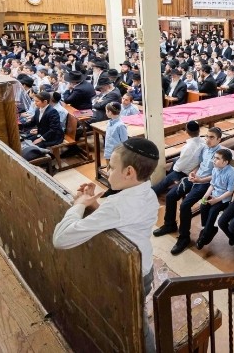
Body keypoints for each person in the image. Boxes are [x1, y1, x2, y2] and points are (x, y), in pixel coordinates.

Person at [52, 138, 160, 353]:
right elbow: (119, 221)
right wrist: (93, 204)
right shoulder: (147, 191)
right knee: (134, 315)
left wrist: (78, 205)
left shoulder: (118, 205)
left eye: (110, 167)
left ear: (128, 172)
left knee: (139, 329)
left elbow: (61, 239)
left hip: (132, 275)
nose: (107, 171)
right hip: (145, 268)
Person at [154, 127, 222, 255]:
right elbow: (200, 164)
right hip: (196, 178)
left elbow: (217, 175)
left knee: (185, 205)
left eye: (212, 137)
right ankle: (170, 224)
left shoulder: (220, 154)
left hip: (206, 184)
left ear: (219, 139)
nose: (208, 139)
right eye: (207, 136)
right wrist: (193, 173)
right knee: (170, 196)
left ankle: (184, 237)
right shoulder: (205, 148)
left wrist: (200, 180)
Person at [192, 148, 234, 249]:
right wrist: (205, 196)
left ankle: (204, 237)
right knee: (203, 206)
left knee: (213, 211)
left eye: (217, 158)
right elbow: (212, 185)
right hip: (215, 195)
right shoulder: (215, 169)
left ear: (225, 162)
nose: (214, 160)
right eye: (214, 158)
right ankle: (209, 229)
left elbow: (230, 192)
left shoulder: (232, 172)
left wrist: (216, 200)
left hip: (224, 199)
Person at [151, 121, 203, 197]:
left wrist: (174, 169)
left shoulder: (188, 147)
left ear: (187, 131)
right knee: (176, 160)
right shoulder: (203, 141)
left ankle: (151, 193)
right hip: (195, 166)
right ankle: (169, 180)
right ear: (199, 130)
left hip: (186, 172)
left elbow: (179, 167)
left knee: (166, 180)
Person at [21, 91, 64, 161]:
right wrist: (20, 125)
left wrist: (41, 138)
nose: (35, 103)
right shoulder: (38, 110)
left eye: (37, 101)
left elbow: (54, 129)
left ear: (45, 102)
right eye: (34, 101)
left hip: (54, 136)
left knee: (34, 147)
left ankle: (47, 161)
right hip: (44, 133)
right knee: (26, 140)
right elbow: (32, 122)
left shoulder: (52, 112)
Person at [102, 102, 128, 170]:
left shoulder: (120, 126)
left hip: (116, 153)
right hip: (108, 151)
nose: (105, 113)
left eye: (106, 111)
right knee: (109, 170)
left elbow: (124, 142)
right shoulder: (109, 123)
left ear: (110, 112)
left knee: (115, 170)